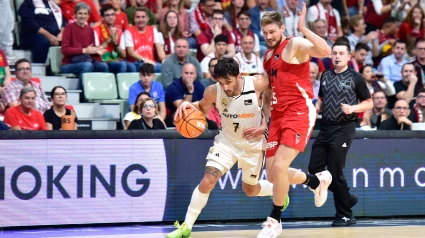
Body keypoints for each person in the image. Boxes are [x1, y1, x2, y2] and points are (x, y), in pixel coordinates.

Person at [166, 57, 278, 238]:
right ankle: (186, 227)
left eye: (228, 82)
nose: (225, 87)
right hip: (226, 142)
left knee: (250, 190)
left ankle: (276, 191)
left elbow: (273, 92)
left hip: (253, 145)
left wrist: (266, 123)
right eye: (221, 82)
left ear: (239, 76)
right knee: (207, 180)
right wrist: (188, 105)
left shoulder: (257, 82)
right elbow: (201, 109)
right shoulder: (213, 91)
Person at [258, 4, 332, 237]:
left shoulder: (294, 44)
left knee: (280, 167)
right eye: (265, 33)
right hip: (277, 117)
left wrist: (303, 28)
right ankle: (315, 181)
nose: (269, 36)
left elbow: (325, 51)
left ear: (281, 28)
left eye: (273, 32)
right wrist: (264, 122)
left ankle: (275, 220)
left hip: (298, 111)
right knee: (272, 175)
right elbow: (269, 93)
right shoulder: (267, 56)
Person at [311, 39, 373, 227]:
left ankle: (345, 215)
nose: (337, 56)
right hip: (326, 127)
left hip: (345, 128)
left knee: (335, 170)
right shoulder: (325, 75)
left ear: (348, 57)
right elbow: (321, 97)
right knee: (314, 170)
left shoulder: (356, 77)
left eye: (341, 53)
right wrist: (317, 107)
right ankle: (348, 197)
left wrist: (353, 108)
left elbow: (369, 102)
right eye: (334, 53)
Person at [60, 2, 108, 87]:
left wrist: (97, 51)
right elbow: (64, 50)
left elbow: (90, 51)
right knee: (87, 65)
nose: (83, 16)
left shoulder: (90, 30)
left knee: (103, 66)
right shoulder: (69, 28)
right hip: (69, 64)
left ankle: (99, 91)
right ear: (75, 15)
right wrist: (84, 50)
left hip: (86, 60)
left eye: (85, 14)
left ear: (88, 16)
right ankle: (81, 94)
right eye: (80, 13)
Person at [125, 7, 165, 72]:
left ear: (147, 18)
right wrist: (144, 60)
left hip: (151, 62)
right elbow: (131, 52)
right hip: (136, 63)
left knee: (166, 68)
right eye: (138, 17)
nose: (140, 19)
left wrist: (163, 59)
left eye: (143, 17)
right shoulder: (128, 31)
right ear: (134, 19)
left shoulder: (153, 30)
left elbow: (159, 48)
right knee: (156, 68)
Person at [93, 4, 129, 74]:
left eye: (112, 14)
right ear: (102, 18)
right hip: (100, 60)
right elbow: (96, 51)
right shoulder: (96, 30)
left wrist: (115, 42)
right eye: (108, 15)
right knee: (104, 66)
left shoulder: (119, 31)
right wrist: (109, 39)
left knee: (127, 65)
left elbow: (124, 55)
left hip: (115, 60)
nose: (111, 17)